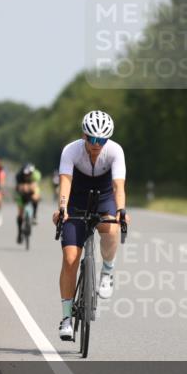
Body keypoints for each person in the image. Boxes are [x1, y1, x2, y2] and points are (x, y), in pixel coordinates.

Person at [52, 110, 128, 341]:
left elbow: (118, 187)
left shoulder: (115, 151)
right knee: (70, 258)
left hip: (104, 195)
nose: (97, 145)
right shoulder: (71, 150)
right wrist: (62, 208)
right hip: (76, 198)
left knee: (111, 228)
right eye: (92, 139)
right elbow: (65, 182)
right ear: (84, 135)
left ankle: (108, 271)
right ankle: (66, 318)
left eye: (102, 140)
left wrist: (122, 211)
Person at [15, 162, 42, 243]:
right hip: (21, 192)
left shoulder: (36, 174)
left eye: (29, 174)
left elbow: (35, 186)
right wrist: (24, 187)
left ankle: (34, 215)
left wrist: (29, 187)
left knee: (36, 196)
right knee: (20, 213)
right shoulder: (19, 176)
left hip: (31, 190)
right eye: (26, 174)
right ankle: (19, 233)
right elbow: (19, 188)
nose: (27, 176)